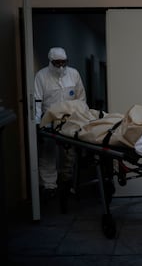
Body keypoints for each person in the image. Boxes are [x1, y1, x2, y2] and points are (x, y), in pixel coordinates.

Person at [34, 47, 86, 196]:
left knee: (70, 152)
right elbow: (37, 101)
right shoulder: (41, 76)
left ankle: (67, 180)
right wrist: (38, 123)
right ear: (50, 62)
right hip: (49, 119)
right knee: (48, 152)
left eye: (64, 63)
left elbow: (81, 98)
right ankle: (49, 186)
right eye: (57, 63)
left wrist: (82, 117)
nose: (61, 66)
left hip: (70, 119)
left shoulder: (73, 74)